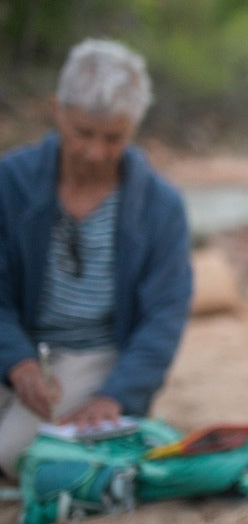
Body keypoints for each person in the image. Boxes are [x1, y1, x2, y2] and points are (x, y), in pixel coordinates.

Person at [0, 38, 193, 479]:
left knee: (16, 454)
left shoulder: (159, 205)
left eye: (114, 138)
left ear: (133, 131)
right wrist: (18, 361)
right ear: (57, 111)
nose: (96, 152)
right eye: (82, 133)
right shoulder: (10, 182)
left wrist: (116, 396)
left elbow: (164, 317)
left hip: (95, 355)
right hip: (21, 345)